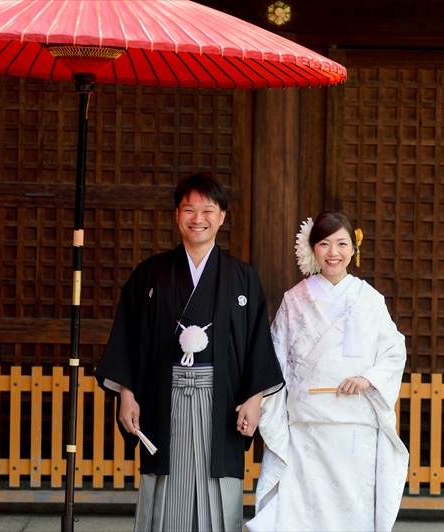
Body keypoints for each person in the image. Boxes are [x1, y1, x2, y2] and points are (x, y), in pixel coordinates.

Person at [94, 174, 284, 532]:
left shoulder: (243, 278)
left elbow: (258, 344)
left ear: (222, 216)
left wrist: (254, 399)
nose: (198, 219)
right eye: (189, 210)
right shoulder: (149, 275)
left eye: (208, 210)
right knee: (165, 488)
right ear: (176, 215)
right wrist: (127, 395)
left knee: (219, 488)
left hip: (223, 401)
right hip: (163, 397)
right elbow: (128, 340)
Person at [246, 211, 409, 532]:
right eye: (324, 243)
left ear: (354, 249)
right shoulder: (294, 300)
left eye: (342, 244)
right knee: (301, 511)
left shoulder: (370, 300)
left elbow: (393, 351)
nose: (333, 252)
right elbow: (274, 357)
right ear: (312, 248)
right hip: (306, 427)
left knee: (352, 509)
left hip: (354, 426)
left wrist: (367, 379)